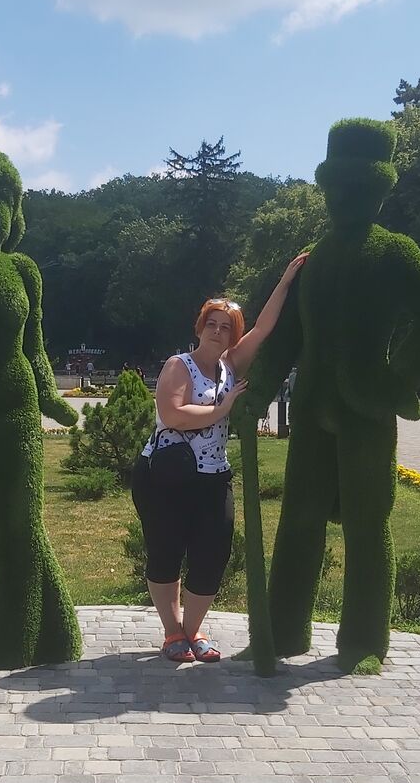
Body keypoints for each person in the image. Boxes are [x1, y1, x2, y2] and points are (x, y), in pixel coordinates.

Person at [131, 256, 307, 663]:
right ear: (199, 328)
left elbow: (264, 328)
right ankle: (172, 632)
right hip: (167, 476)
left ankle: (191, 630)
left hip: (213, 477)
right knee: (165, 551)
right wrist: (222, 408)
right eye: (211, 323)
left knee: (213, 554)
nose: (217, 330)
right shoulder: (179, 365)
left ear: (232, 335)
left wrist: (285, 281)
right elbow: (174, 414)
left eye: (225, 327)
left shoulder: (231, 365)